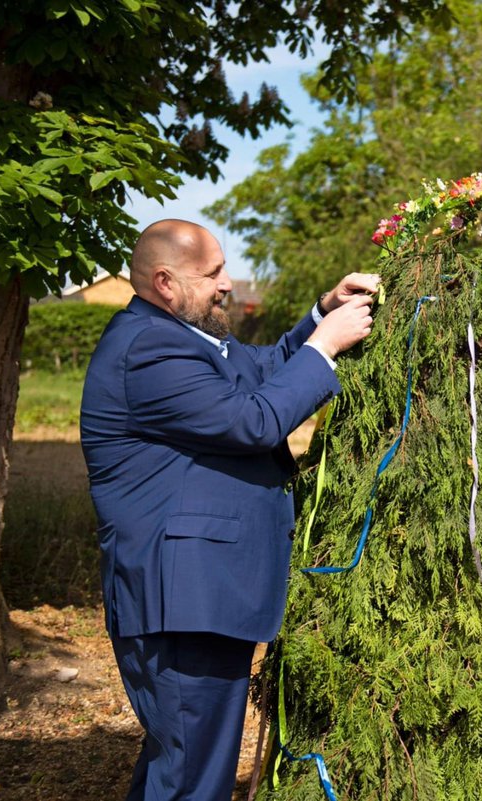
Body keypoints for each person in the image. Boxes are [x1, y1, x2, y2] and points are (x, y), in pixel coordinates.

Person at [80, 219, 379, 801]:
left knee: (184, 764)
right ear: (165, 282)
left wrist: (321, 315)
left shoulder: (182, 335)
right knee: (194, 776)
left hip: (201, 597)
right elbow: (254, 421)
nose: (226, 285)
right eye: (213, 273)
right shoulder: (148, 349)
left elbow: (261, 372)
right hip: (182, 602)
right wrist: (326, 348)